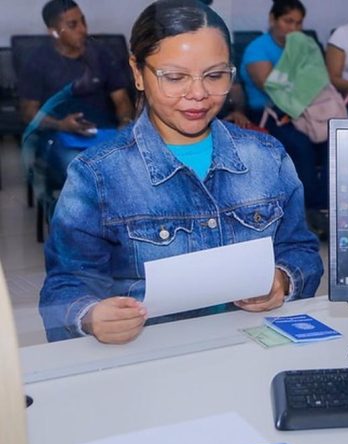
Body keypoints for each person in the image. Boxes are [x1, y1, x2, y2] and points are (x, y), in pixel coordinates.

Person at [39, 0, 323, 344]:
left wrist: (283, 280)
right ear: (137, 73)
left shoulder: (267, 157)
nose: (198, 94)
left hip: (249, 347)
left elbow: (301, 250)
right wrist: (91, 316)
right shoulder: (98, 175)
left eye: (215, 75)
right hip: (151, 355)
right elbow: (64, 286)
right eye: (175, 77)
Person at [18, 0, 134, 187]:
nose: (83, 29)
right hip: (58, 136)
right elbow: (28, 113)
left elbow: (121, 99)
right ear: (54, 32)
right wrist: (60, 124)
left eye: (83, 21)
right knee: (82, 173)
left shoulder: (101, 54)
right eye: (73, 25)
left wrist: (125, 123)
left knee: (133, 169)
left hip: (104, 133)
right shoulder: (37, 61)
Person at [240, 0, 328, 220]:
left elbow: (316, 78)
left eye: (298, 23)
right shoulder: (258, 49)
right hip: (267, 112)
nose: (294, 28)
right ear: (273, 19)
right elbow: (270, 88)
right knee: (301, 145)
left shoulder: (303, 47)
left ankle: (328, 202)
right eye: (288, 21)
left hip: (303, 108)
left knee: (331, 138)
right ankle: (311, 207)